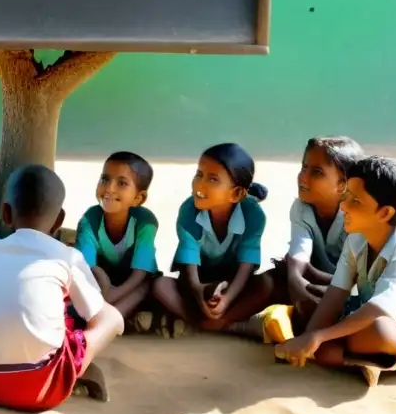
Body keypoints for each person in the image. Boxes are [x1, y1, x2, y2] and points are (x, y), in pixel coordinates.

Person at [0, 165, 124, 412]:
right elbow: (94, 315)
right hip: (42, 390)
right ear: (59, 220)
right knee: (112, 318)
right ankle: (80, 367)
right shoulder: (67, 256)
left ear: (6, 213)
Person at [275, 157, 396, 387]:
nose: (343, 205)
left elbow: (379, 310)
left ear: (385, 213)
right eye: (345, 195)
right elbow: (337, 293)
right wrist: (309, 337)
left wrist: (319, 337)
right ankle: (360, 361)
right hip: (363, 317)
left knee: (378, 328)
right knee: (312, 306)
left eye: (355, 200)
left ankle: (356, 357)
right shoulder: (357, 237)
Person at [151, 143, 273, 336]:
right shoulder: (188, 210)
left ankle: (209, 322)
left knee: (265, 285)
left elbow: (246, 266)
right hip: (197, 283)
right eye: (199, 174)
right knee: (160, 286)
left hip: (233, 283)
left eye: (213, 179)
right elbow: (190, 268)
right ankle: (224, 325)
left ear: (237, 193)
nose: (200, 184)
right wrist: (200, 294)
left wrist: (227, 298)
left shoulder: (253, 214)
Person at [254, 137, 364, 344]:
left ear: (343, 184)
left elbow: (355, 279)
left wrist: (303, 276)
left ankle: (279, 325)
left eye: (317, 172)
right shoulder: (302, 208)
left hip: (346, 288)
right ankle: (238, 324)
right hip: (314, 283)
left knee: (341, 303)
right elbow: (300, 251)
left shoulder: (356, 216)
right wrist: (295, 278)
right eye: (304, 167)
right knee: (267, 281)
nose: (303, 177)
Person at [74, 151, 159, 327]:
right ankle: (120, 319)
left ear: (138, 198)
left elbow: (140, 274)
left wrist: (112, 296)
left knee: (145, 288)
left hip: (134, 284)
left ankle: (112, 319)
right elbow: (87, 268)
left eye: (122, 183)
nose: (110, 188)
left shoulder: (145, 223)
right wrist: (104, 287)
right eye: (105, 179)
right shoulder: (89, 220)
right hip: (102, 285)